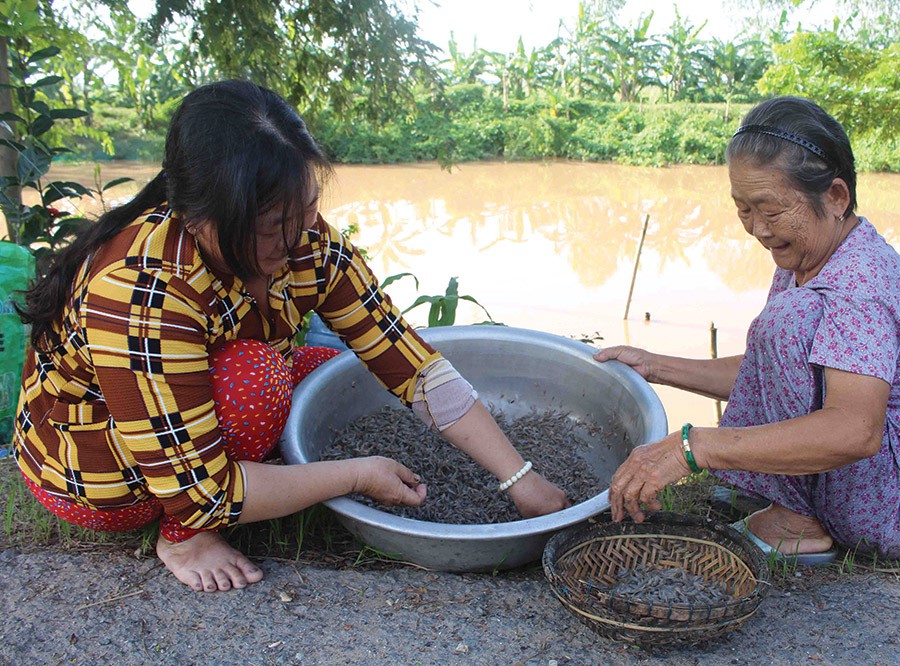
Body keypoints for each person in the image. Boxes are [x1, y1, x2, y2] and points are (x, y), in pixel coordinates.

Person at [12, 79, 568, 593]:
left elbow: (407, 360)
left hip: (185, 411)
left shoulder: (305, 242)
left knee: (319, 368)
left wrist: (519, 477)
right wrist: (354, 474)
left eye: (305, 210)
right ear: (201, 214)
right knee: (258, 380)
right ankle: (182, 539)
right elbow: (204, 492)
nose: (296, 238)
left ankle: (261, 477)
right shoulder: (142, 289)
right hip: (96, 473)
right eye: (271, 224)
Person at [596, 96, 900, 563]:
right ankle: (793, 503)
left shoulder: (861, 283)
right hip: (876, 480)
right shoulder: (807, 253)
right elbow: (773, 372)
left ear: (836, 197)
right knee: (783, 325)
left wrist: (693, 449)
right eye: (743, 210)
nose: (757, 229)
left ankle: (799, 521)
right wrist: (655, 365)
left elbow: (856, 431)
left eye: (771, 211)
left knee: (786, 320)